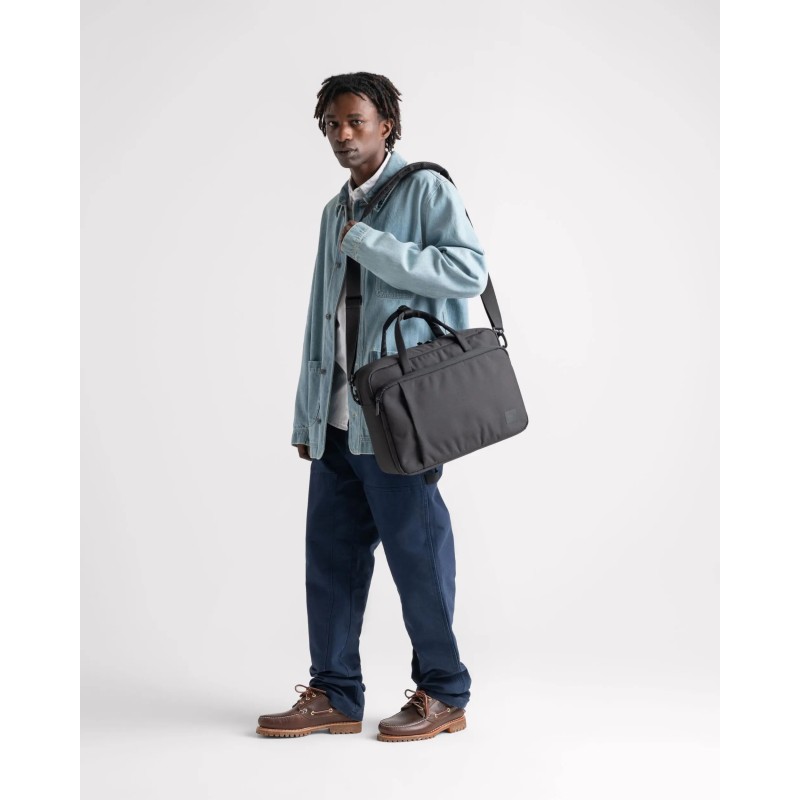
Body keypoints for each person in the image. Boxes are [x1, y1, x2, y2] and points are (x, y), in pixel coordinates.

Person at [256, 72, 488, 743]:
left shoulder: (425, 190)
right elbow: (319, 320)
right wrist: (307, 415)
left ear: (386, 123)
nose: (342, 134)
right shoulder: (334, 210)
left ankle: (444, 692)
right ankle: (334, 692)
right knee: (329, 561)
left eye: (355, 120)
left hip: (399, 418)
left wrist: (371, 243)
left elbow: (467, 271)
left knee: (419, 558)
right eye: (331, 124)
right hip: (337, 420)